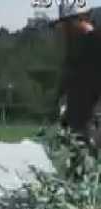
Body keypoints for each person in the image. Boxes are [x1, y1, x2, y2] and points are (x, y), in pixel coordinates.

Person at [53, 7, 101, 152]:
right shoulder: (77, 43)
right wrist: (58, 95)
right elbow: (70, 72)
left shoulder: (92, 39)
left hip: (88, 100)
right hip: (79, 102)